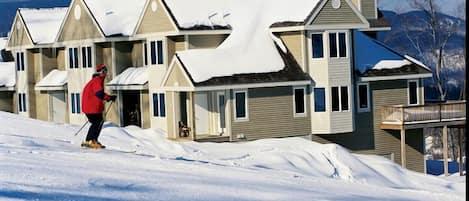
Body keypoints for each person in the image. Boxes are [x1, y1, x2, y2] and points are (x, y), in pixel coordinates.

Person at [81, 64, 116, 149]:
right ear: (100, 72)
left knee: (99, 122)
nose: (105, 74)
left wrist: (107, 98)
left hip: (91, 107)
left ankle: (93, 140)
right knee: (97, 122)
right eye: (103, 71)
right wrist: (109, 97)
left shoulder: (96, 80)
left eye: (105, 71)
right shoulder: (97, 80)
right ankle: (89, 140)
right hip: (91, 108)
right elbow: (99, 94)